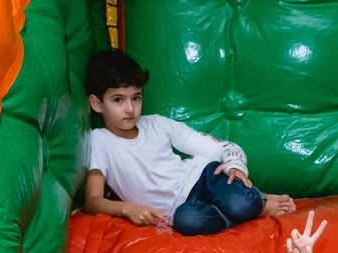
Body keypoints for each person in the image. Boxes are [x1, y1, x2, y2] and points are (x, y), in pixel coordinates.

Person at [83, 50, 296, 235]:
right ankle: (253, 206)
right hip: (180, 209)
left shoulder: (158, 124)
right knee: (189, 222)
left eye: (136, 98)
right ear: (96, 103)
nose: (130, 108)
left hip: (201, 178)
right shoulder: (100, 140)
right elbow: (92, 201)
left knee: (241, 202)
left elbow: (222, 147)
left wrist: (235, 164)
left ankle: (253, 200)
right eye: (118, 100)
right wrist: (128, 209)